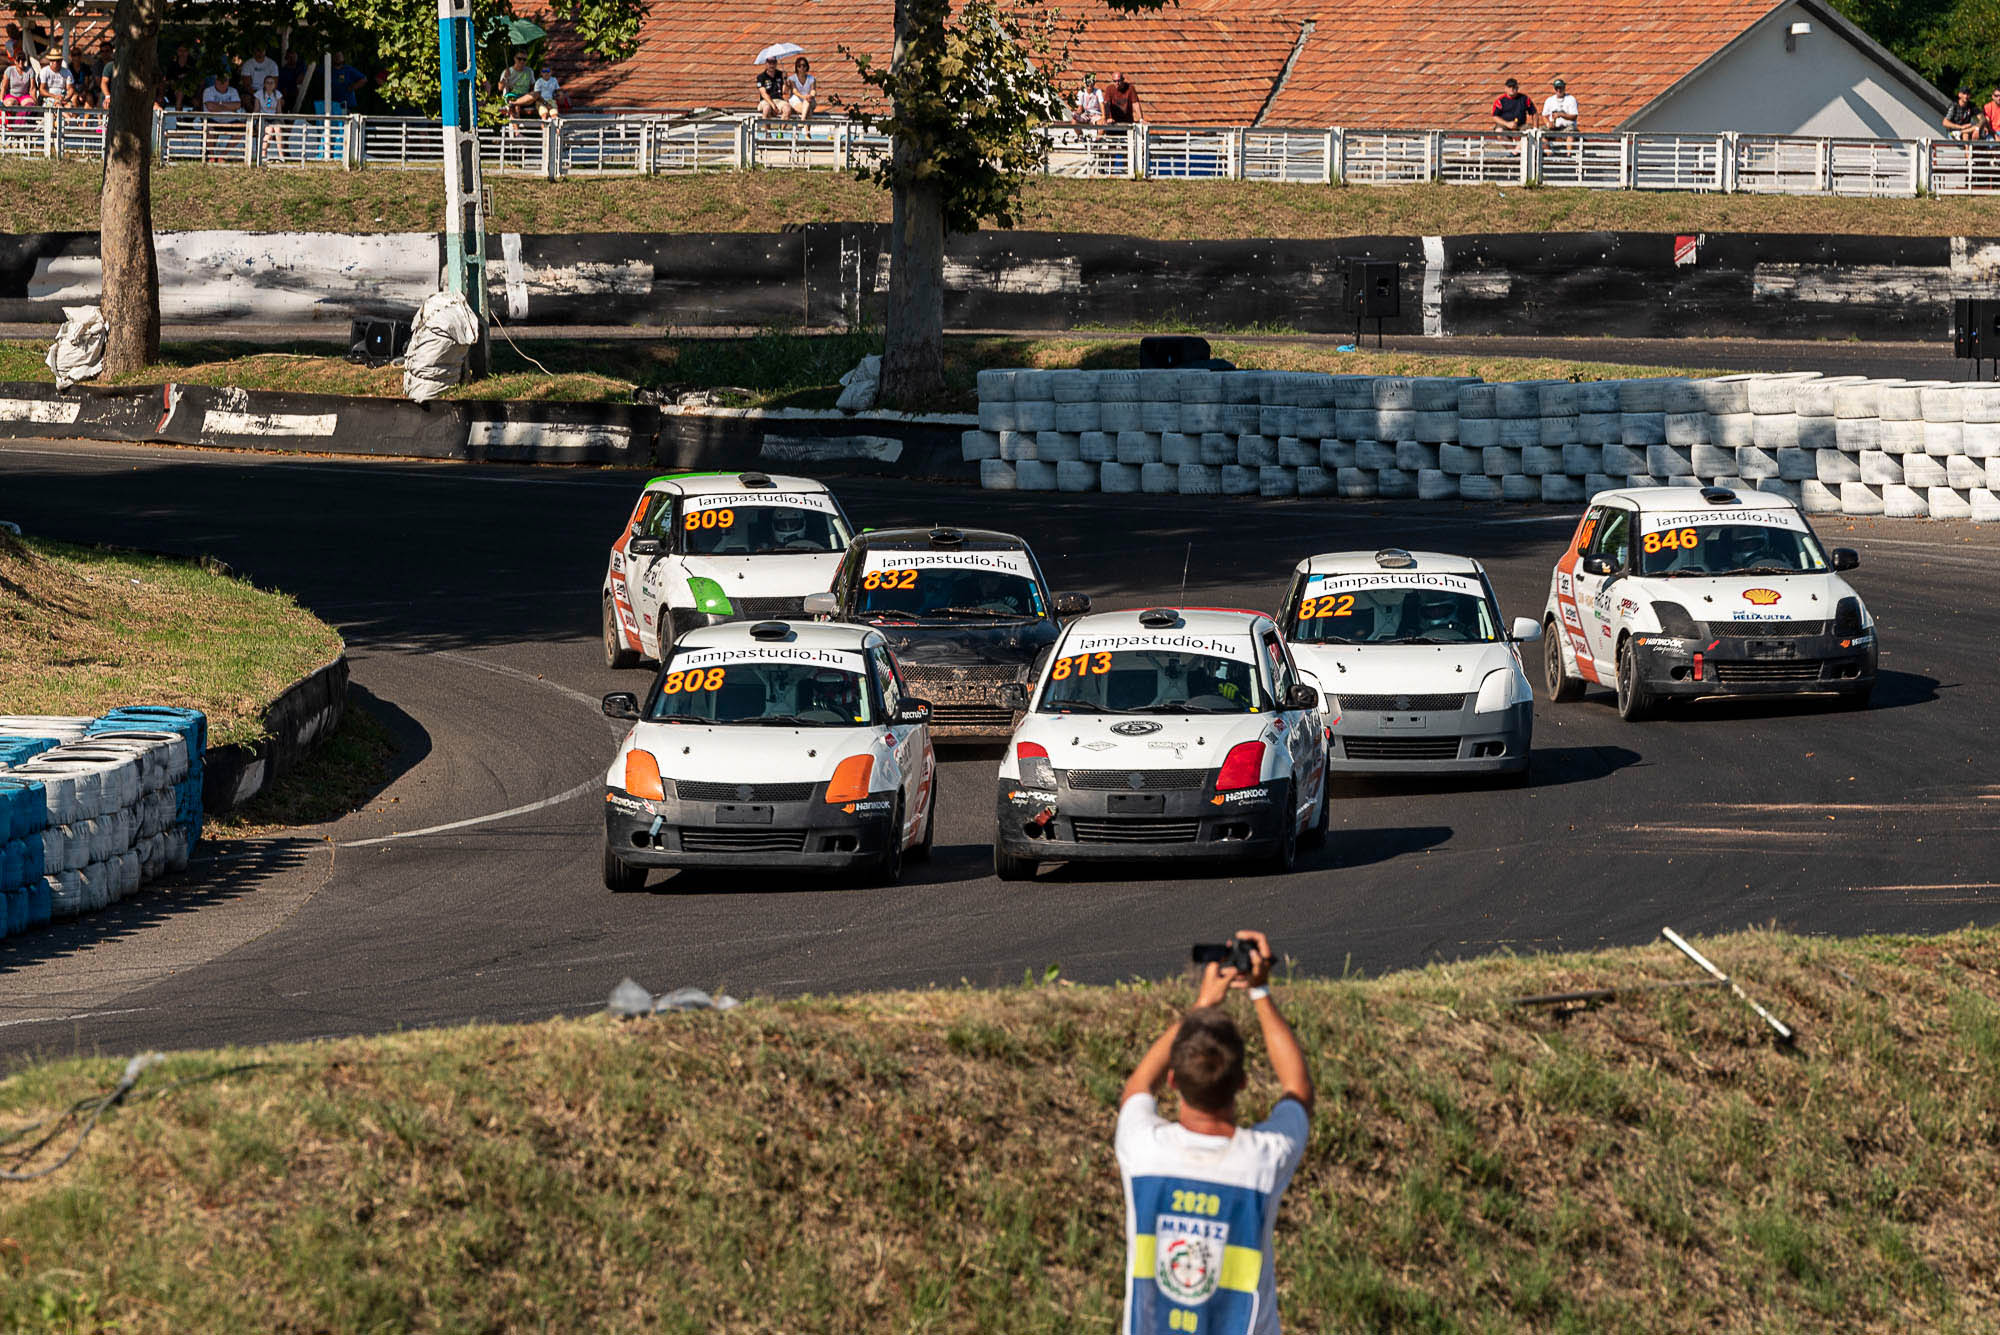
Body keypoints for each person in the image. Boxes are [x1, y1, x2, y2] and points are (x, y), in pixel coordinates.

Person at [1117, 930, 1313, 1335]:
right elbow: (1298, 1090)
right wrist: (1260, 992)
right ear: (1242, 1083)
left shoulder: (1143, 1152)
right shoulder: (1260, 1161)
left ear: (1173, 1081)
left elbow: (1136, 1088)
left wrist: (1202, 1006)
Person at [496, 51, 536, 119]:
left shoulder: (529, 71)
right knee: (515, 107)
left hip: (524, 98)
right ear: (515, 58)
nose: (522, 61)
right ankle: (516, 129)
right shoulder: (507, 71)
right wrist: (505, 77)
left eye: (524, 59)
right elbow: (500, 88)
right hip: (512, 96)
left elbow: (533, 87)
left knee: (536, 93)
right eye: (519, 59)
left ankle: (515, 103)